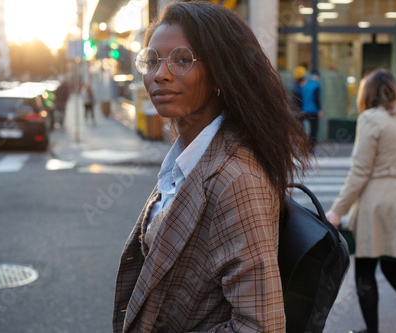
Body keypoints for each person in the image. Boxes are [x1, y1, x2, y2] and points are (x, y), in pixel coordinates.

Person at [113, 2, 310, 332]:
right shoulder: (186, 160)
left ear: (221, 72)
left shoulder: (236, 178)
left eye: (181, 59)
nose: (159, 73)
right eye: (152, 60)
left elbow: (260, 326)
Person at [326, 69, 396, 333]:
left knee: (366, 271)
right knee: (395, 267)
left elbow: (360, 170)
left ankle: (372, 330)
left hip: (376, 204)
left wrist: (337, 210)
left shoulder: (371, 119)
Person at [298, 70, 323, 153]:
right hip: (313, 110)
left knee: (305, 130)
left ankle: (303, 147)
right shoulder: (316, 85)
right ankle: (311, 149)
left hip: (304, 110)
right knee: (314, 130)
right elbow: (317, 99)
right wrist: (319, 109)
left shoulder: (305, 85)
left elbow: (300, 99)